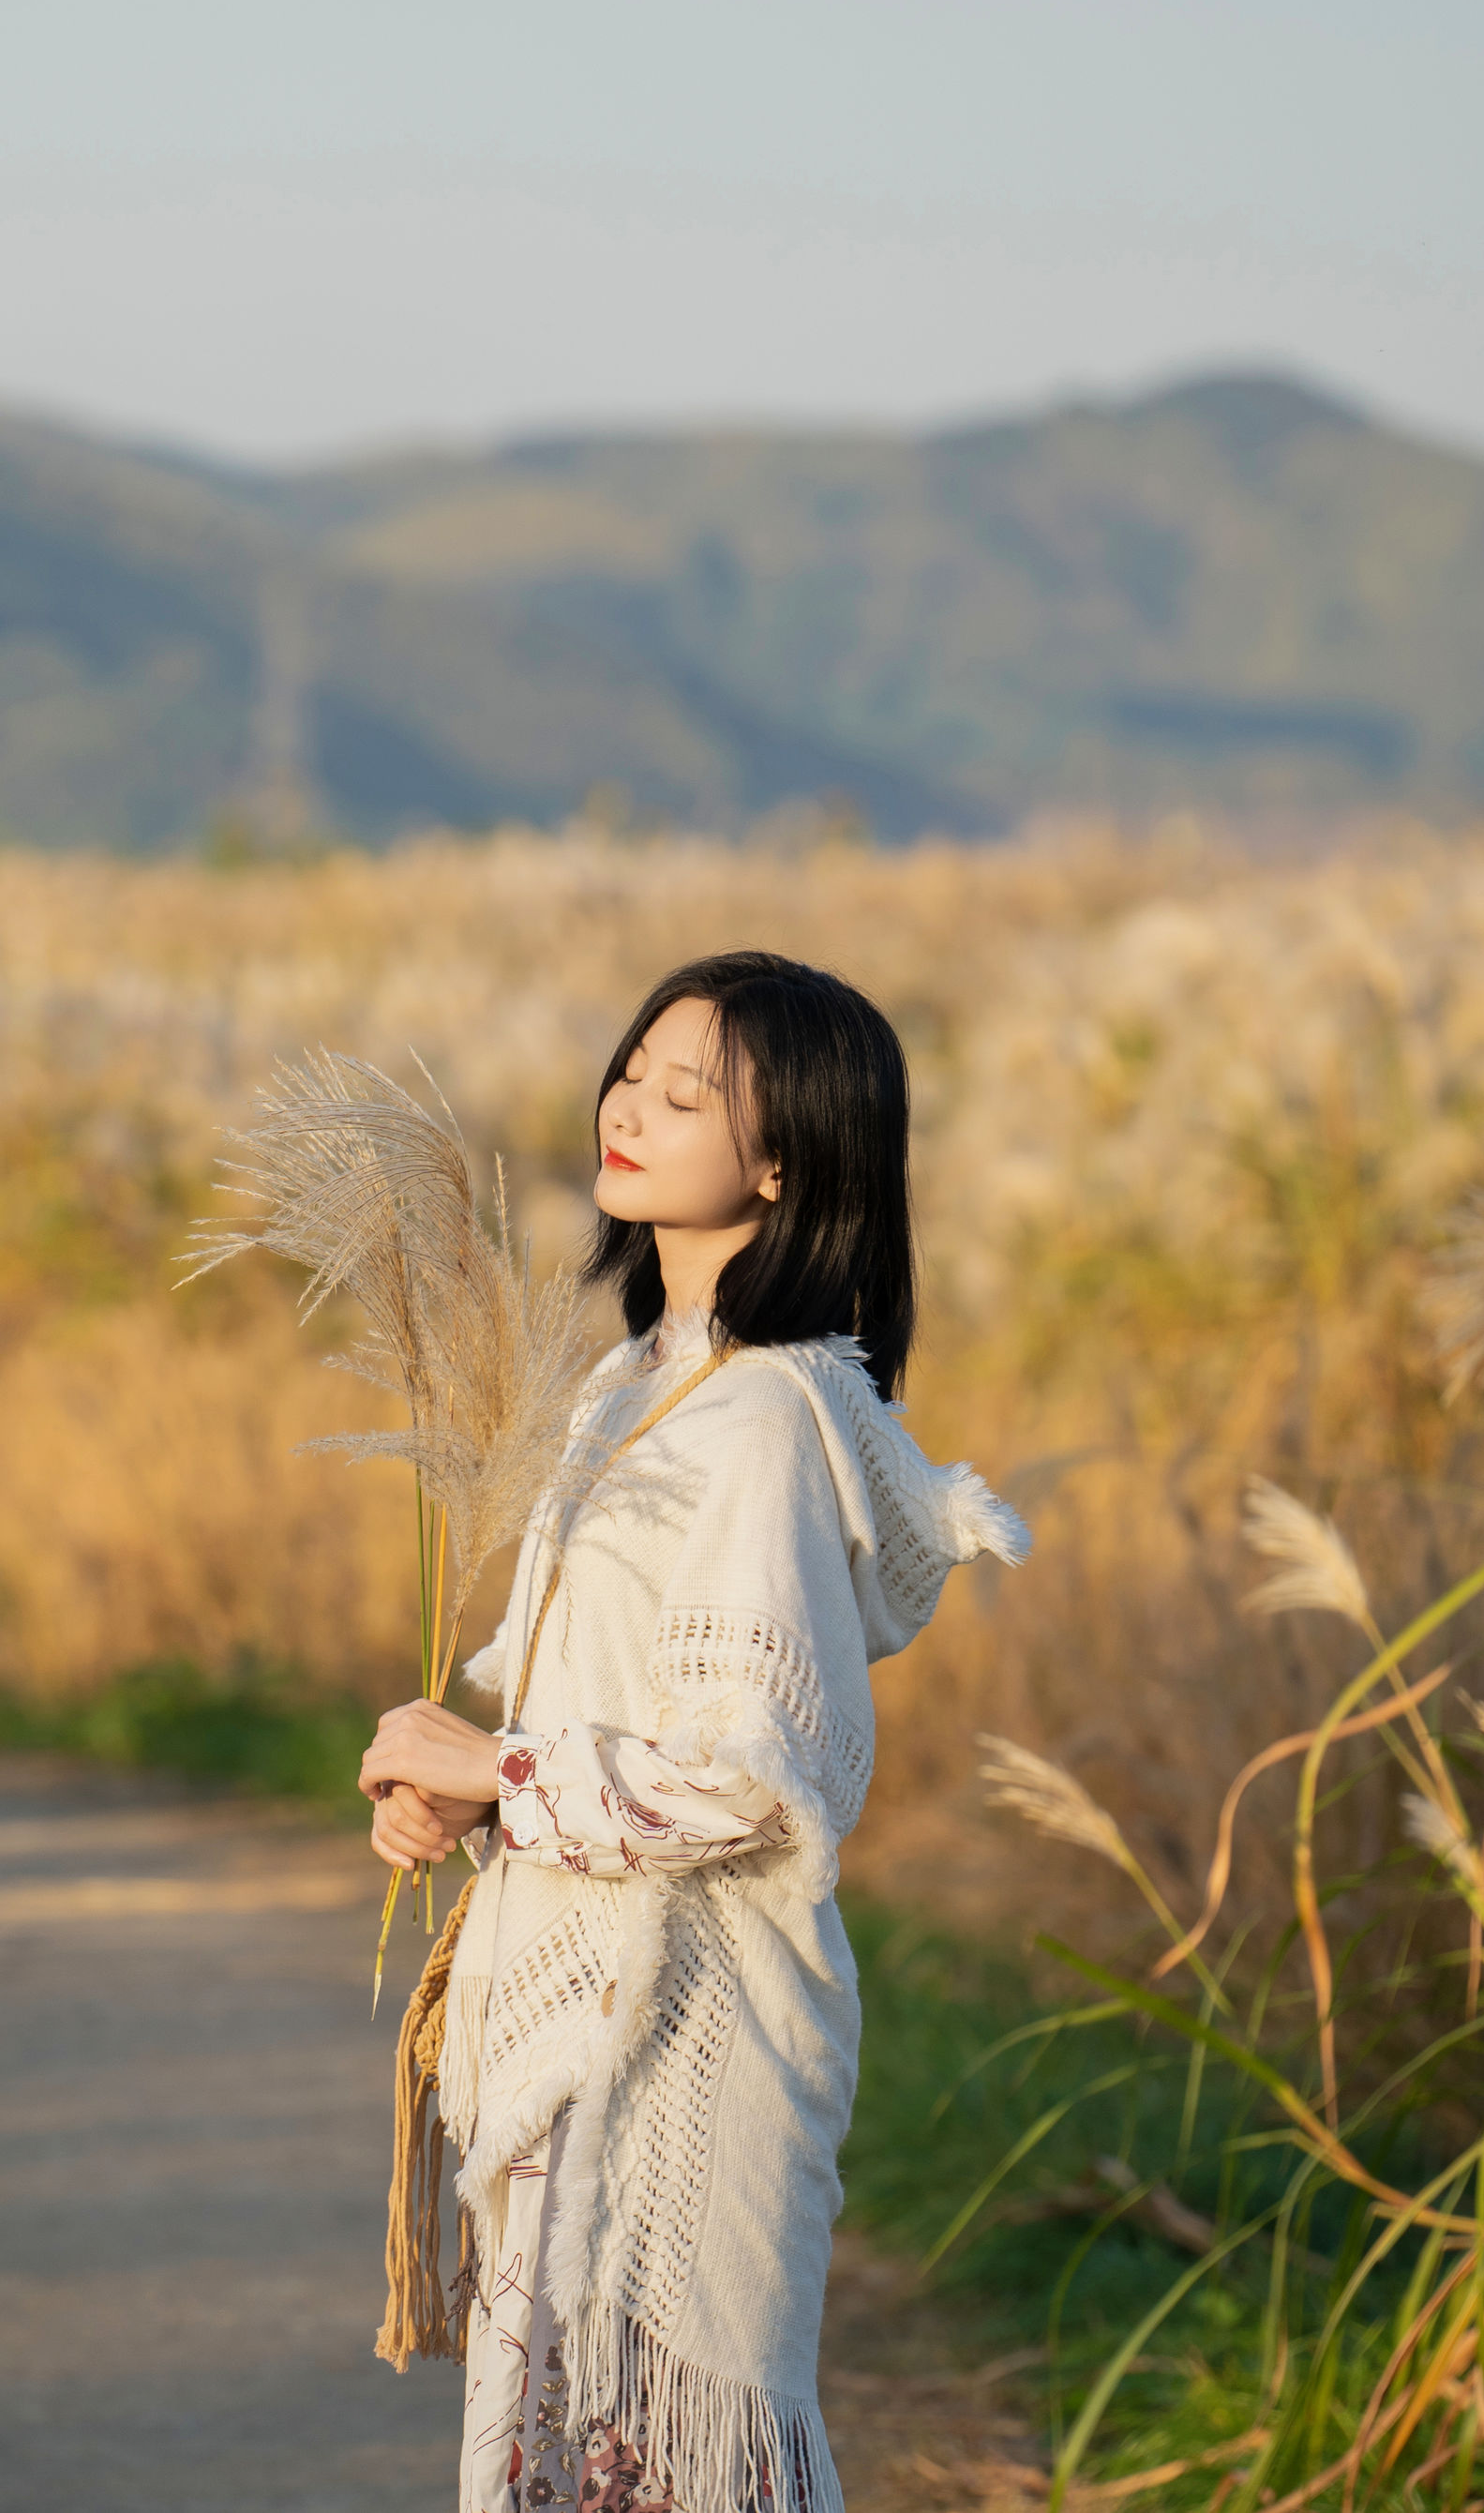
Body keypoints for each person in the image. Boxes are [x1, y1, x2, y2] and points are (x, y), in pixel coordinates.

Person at [356, 951, 1027, 2513]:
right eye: (629, 1070)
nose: (627, 1108)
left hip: (686, 2035)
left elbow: (748, 1779)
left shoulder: (763, 1420)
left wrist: (499, 1771)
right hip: (583, 2008)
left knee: (668, 2470)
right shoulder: (629, 1384)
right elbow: (586, 1707)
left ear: (783, 1158)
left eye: (684, 1092)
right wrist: (464, 1789)